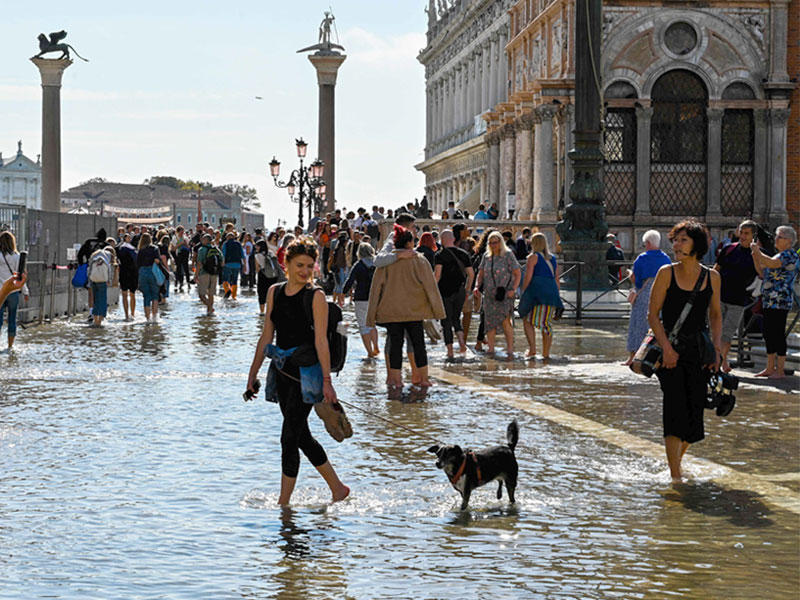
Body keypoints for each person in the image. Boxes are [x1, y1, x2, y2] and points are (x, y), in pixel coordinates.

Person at [246, 237, 350, 506]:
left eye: (309, 266)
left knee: (288, 437)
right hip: (281, 373)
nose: (305, 271)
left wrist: (327, 382)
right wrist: (252, 374)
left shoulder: (315, 296)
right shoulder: (274, 292)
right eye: (299, 265)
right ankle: (338, 489)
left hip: (308, 375)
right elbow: (266, 336)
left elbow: (321, 342)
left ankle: (284, 504)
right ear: (286, 264)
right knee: (300, 434)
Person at [648, 220, 722, 481]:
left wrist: (717, 348)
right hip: (671, 350)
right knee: (674, 408)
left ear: (697, 245)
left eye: (683, 240)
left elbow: (715, 315)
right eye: (675, 240)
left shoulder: (712, 276)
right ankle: (675, 474)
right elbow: (652, 315)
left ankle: (675, 460)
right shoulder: (666, 273)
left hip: (698, 350)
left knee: (695, 414)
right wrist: (666, 349)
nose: (676, 245)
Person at [367, 224, 445, 392]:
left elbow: (375, 290)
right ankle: (423, 378)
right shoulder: (419, 259)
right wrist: (438, 310)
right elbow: (430, 286)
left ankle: (396, 380)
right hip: (414, 310)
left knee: (395, 344)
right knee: (418, 344)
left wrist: (371, 316)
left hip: (391, 311)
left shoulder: (386, 262)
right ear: (410, 243)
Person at [750, 225, 799, 379]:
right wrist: (754, 255)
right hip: (769, 300)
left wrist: (758, 252)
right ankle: (770, 367)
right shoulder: (778, 255)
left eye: (779, 237)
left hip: (781, 300)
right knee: (768, 333)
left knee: (777, 333)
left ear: (789, 241)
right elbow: (762, 271)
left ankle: (780, 370)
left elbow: (772, 264)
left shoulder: (790, 255)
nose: (775, 239)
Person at [713, 220, 758, 372]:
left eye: (747, 233)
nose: (743, 236)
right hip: (720, 296)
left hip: (738, 300)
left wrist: (756, 253)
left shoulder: (756, 254)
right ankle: (719, 360)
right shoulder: (729, 249)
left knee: (727, 333)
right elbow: (716, 269)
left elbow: (761, 273)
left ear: (753, 235)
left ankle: (720, 362)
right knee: (715, 330)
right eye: (741, 232)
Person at [624, 230, 671, 365]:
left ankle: (633, 357)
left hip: (644, 294)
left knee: (637, 324)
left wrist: (630, 274)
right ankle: (655, 356)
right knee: (657, 325)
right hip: (661, 293)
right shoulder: (666, 258)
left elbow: (636, 280)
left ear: (649, 243)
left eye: (645, 244)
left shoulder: (642, 258)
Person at [474, 231, 520, 356]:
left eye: (495, 242)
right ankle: (491, 348)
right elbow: (481, 273)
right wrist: (477, 286)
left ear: (501, 242)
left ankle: (510, 349)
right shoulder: (486, 256)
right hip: (489, 294)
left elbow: (517, 273)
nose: (493, 245)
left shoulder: (508, 255)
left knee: (505, 320)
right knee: (489, 322)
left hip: (505, 294)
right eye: (490, 243)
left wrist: (513, 289)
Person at [518, 233, 562, 359]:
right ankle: (544, 352)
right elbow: (556, 277)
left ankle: (534, 350)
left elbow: (528, 276)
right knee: (542, 321)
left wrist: (523, 291)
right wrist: (556, 294)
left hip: (536, 292)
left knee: (531, 321)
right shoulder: (552, 258)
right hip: (551, 292)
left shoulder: (532, 257)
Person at [434, 230, 474, 358]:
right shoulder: (464, 254)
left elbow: (437, 276)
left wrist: (431, 291)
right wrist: (467, 289)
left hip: (445, 291)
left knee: (446, 321)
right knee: (456, 318)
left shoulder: (439, 255)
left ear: (442, 240)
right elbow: (471, 274)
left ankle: (450, 351)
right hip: (460, 290)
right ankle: (462, 343)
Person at [343, 242, 379, 357]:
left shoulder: (358, 265)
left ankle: (369, 352)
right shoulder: (377, 264)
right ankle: (376, 346)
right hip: (374, 297)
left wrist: (343, 293)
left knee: (363, 326)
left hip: (361, 298)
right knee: (372, 324)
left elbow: (350, 280)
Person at [0, 231, 29, 349]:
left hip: (0, 291)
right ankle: (10, 346)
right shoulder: (17, 257)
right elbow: (21, 276)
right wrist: (25, 292)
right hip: (13, 292)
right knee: (12, 319)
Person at [87, 244, 116, 328]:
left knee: (95, 300)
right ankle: (100, 321)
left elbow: (89, 269)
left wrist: (89, 281)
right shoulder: (108, 255)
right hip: (103, 280)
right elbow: (109, 269)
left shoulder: (95, 255)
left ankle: (95, 320)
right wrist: (109, 281)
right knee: (102, 300)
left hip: (94, 279)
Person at [136, 232, 163, 323]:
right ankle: (154, 318)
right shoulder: (155, 248)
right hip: (152, 271)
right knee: (155, 295)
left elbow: (138, 264)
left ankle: (147, 319)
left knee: (146, 296)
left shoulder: (140, 250)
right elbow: (158, 261)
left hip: (142, 272)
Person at [254, 239, 281, 316]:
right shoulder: (271, 253)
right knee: (272, 293)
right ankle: (272, 310)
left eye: (257, 246)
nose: (256, 247)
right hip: (273, 276)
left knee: (262, 293)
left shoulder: (257, 255)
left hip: (263, 275)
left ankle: (262, 312)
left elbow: (257, 268)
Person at [196, 233, 218, 316]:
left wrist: (196, 275)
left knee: (201, 295)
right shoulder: (216, 249)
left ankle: (210, 308)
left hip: (204, 273)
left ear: (207, 240)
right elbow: (222, 261)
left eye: (203, 239)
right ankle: (209, 312)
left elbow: (199, 263)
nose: (201, 240)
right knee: (211, 294)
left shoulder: (201, 249)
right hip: (214, 273)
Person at [117, 234, 138, 321]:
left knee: (124, 294)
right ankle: (132, 314)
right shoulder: (133, 249)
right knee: (132, 294)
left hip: (123, 272)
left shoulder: (120, 248)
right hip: (133, 272)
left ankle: (126, 315)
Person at [328, 229, 350, 306]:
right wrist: (344, 267)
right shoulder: (341, 249)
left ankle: (335, 300)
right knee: (340, 285)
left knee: (337, 285)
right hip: (340, 269)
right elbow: (341, 260)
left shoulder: (338, 248)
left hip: (337, 268)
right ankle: (340, 301)